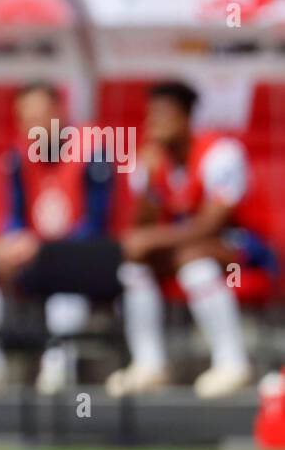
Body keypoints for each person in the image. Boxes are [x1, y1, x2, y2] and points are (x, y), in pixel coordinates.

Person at [0, 82, 118, 394]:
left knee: (63, 267)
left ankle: (58, 363)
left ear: (59, 113)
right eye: (26, 119)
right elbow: (15, 217)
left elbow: (97, 224)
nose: (34, 126)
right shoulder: (18, 157)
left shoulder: (94, 152)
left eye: (41, 116)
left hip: (85, 254)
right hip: (34, 251)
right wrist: (13, 242)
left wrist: (42, 247)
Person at [107, 81, 272, 399]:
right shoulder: (151, 161)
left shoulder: (221, 153)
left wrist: (152, 239)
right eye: (151, 115)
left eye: (164, 115)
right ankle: (149, 364)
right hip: (184, 249)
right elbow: (142, 225)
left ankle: (232, 362)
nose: (155, 123)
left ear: (186, 118)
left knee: (193, 263)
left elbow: (214, 224)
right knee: (135, 265)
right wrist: (150, 186)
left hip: (245, 247)